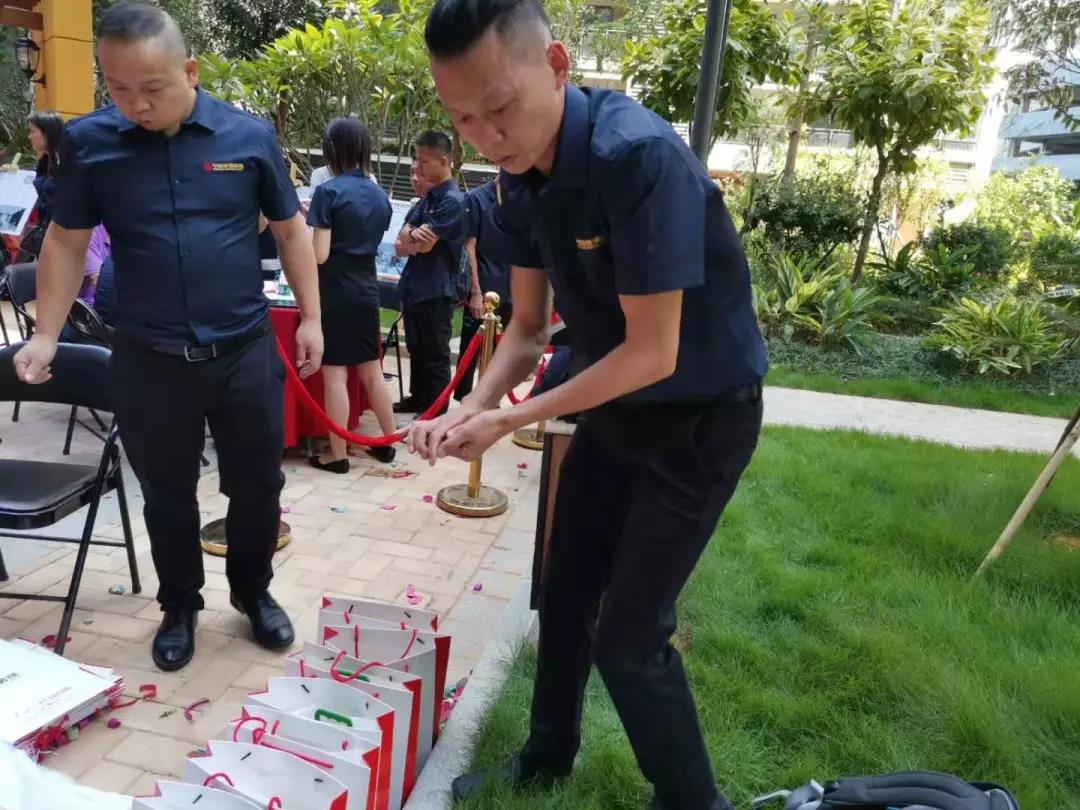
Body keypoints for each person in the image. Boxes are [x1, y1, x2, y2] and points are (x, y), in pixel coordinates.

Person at [409, 1, 768, 808]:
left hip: (699, 415)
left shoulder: (635, 157)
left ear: (557, 64)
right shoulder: (516, 183)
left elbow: (653, 352)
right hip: (615, 408)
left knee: (631, 634)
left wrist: (512, 418)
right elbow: (527, 329)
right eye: (463, 119)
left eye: (499, 107)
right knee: (564, 592)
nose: (487, 136)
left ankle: (693, 802)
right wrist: (469, 406)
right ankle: (546, 758)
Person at [12, 1, 323, 673]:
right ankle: (179, 605)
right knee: (166, 493)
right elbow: (65, 243)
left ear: (190, 70)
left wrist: (313, 317)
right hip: (148, 358)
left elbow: (291, 230)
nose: (136, 105)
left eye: (151, 88)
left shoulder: (247, 137)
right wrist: (46, 334)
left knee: (258, 485)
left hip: (242, 350)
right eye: (119, 89)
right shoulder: (91, 143)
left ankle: (253, 591)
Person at [306, 117, 397, 471]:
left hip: (334, 291)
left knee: (335, 376)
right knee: (372, 372)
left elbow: (319, 255)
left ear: (332, 149)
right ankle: (387, 444)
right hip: (367, 290)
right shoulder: (379, 195)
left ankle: (338, 455)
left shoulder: (328, 192)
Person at [392, 131, 466, 415]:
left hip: (437, 288)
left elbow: (425, 245)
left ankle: (435, 409)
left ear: (443, 162)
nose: (418, 168)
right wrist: (412, 234)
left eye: (424, 162)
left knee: (435, 353)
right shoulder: (427, 199)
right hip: (415, 286)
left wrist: (412, 237)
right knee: (416, 347)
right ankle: (419, 398)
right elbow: (400, 242)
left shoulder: (452, 201)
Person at [453, 180, 511, 402]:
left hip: (512, 289)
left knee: (502, 352)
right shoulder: (476, 199)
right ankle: (464, 400)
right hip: (485, 287)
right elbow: (469, 247)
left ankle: (490, 400)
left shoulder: (521, 198)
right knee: (471, 349)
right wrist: (475, 292)